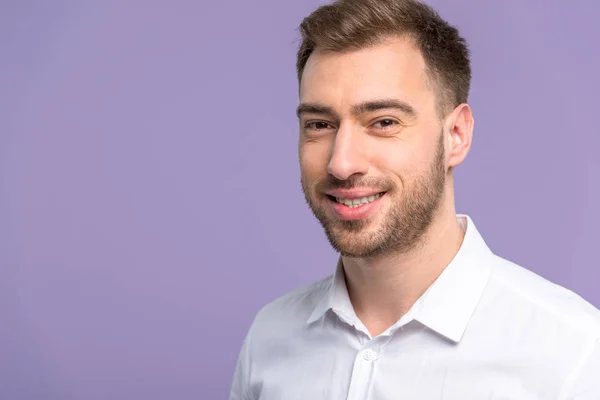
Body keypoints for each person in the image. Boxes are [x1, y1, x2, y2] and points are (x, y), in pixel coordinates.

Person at [230, 0, 600, 398]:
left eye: (384, 122)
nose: (341, 163)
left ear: (456, 135)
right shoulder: (269, 338)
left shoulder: (572, 353)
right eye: (319, 125)